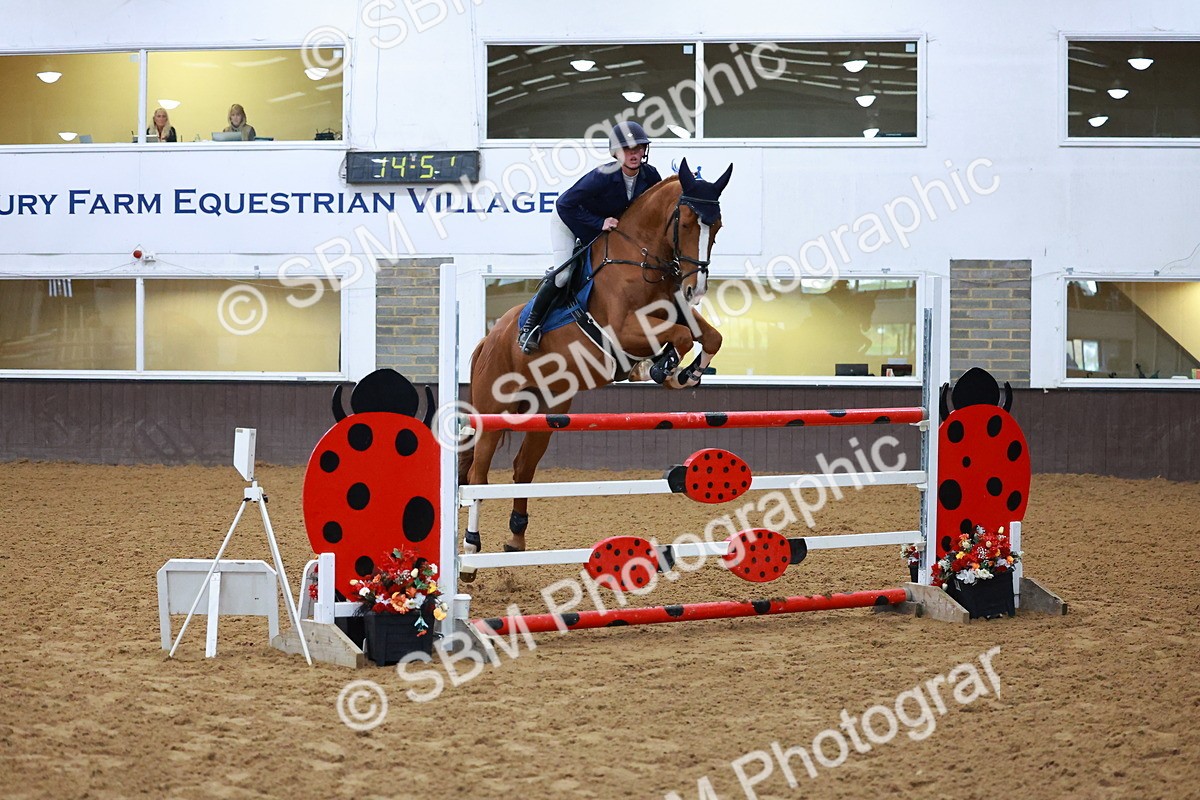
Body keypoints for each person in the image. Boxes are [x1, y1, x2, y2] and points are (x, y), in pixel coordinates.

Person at [517, 120, 662, 354]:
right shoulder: (602, 176)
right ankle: (530, 326)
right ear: (616, 152)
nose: (634, 154)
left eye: (638, 148)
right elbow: (565, 205)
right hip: (568, 220)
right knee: (564, 275)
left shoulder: (651, 176)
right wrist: (599, 223)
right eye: (627, 149)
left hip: (605, 228)